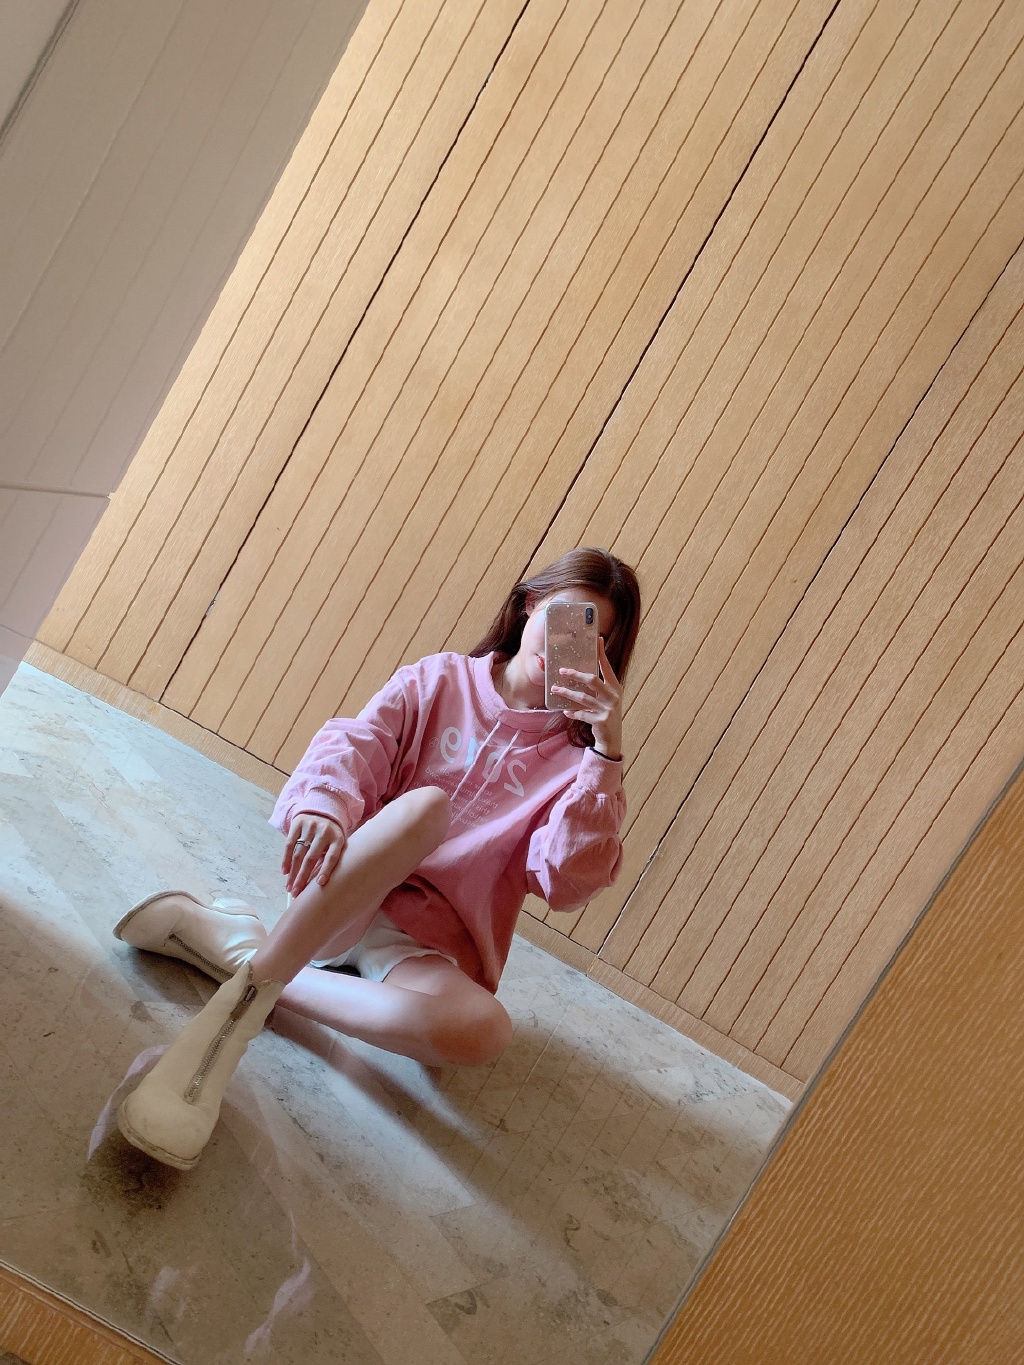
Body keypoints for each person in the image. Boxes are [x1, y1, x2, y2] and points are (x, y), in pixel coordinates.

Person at [113, 548, 641, 1170]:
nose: (564, 644)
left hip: (425, 948)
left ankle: (243, 956)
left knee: (485, 1031)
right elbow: (358, 743)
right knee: (427, 809)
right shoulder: (442, 679)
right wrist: (325, 803)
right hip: (342, 898)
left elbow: (566, 884)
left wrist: (605, 753)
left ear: (605, 656)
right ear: (529, 605)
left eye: (589, 636)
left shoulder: (579, 767)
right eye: (562, 617)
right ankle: (219, 1037)